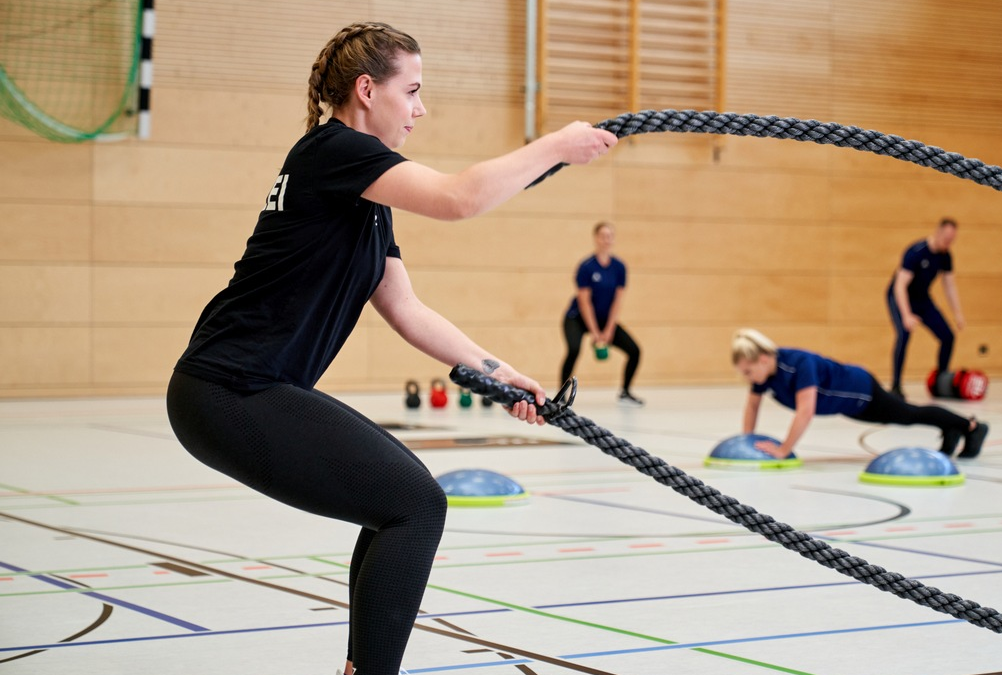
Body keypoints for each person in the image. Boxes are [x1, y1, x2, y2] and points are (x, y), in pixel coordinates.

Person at [164, 22, 616, 675]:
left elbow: (407, 311)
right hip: (231, 388)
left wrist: (501, 374)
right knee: (415, 504)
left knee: (398, 504)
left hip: (242, 389)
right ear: (367, 90)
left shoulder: (364, 192)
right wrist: (556, 145)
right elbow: (459, 199)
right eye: (413, 90)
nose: (421, 108)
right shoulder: (335, 151)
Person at [731, 328, 987, 460]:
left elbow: (805, 411)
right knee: (907, 416)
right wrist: (746, 441)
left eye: (748, 371)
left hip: (861, 391)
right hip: (848, 406)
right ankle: (952, 428)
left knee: (909, 414)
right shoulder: (765, 375)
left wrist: (784, 449)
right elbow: (752, 406)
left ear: (763, 359)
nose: (747, 378)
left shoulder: (798, 364)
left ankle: (972, 427)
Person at [560, 221, 643, 406]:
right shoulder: (586, 267)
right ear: (596, 238)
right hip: (577, 318)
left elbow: (617, 301)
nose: (607, 240)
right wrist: (595, 333)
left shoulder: (619, 267)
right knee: (573, 349)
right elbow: (585, 303)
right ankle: (561, 396)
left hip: (604, 319)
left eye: (610, 236)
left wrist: (609, 330)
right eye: (603, 236)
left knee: (635, 351)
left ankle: (625, 392)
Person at [887, 217, 965, 399]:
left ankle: (941, 381)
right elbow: (900, 286)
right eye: (946, 238)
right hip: (900, 297)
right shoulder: (916, 252)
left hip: (922, 299)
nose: (948, 243)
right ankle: (896, 386)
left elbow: (949, 286)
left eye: (952, 240)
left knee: (948, 337)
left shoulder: (945, 256)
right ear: (938, 232)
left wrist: (958, 313)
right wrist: (906, 315)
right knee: (904, 334)